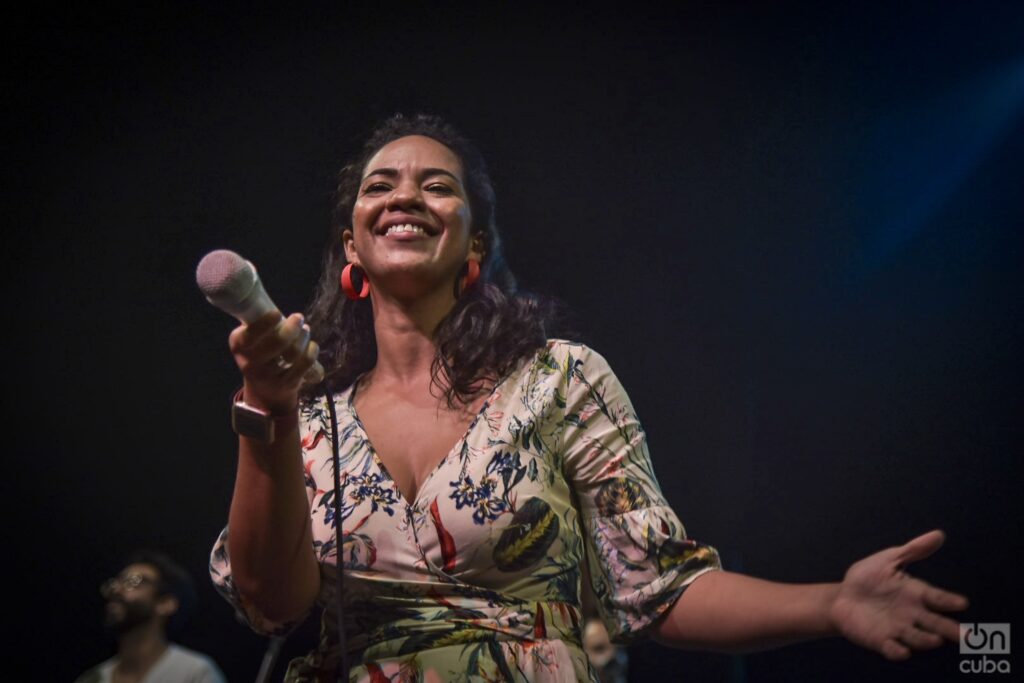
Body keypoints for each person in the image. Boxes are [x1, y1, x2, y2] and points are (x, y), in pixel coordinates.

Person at [209, 114, 968, 681]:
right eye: (381, 185)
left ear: (475, 244)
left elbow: (659, 587)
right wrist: (265, 408)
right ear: (352, 243)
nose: (405, 195)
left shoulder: (559, 380)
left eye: (437, 186)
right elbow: (272, 602)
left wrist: (832, 602)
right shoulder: (309, 423)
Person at [77, 550, 225, 683]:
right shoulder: (91, 679)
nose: (116, 590)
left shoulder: (195, 673)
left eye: (133, 581)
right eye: (115, 583)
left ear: (165, 603)